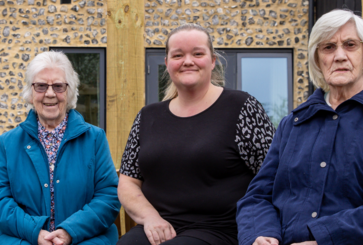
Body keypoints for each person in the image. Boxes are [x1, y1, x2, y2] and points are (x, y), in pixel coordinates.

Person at [236, 9, 363, 245]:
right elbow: (257, 197)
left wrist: (323, 239)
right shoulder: (292, 124)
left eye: (350, 45)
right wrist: (261, 234)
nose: (339, 56)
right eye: (328, 47)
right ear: (318, 59)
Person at [117, 24, 276, 245]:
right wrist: (150, 218)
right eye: (178, 55)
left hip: (222, 229)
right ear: (167, 63)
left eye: (198, 53)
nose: (188, 61)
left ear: (213, 61)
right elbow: (128, 182)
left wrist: (266, 230)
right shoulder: (147, 116)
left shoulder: (241, 107)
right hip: (160, 225)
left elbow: (274, 174)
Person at [0, 51, 121, 245]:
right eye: (41, 86)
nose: (50, 93)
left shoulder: (95, 139)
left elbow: (108, 196)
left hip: (84, 238)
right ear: (31, 92)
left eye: (58, 86)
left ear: (69, 91)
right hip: (23, 238)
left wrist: (69, 232)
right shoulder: (8, 143)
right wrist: (35, 233)